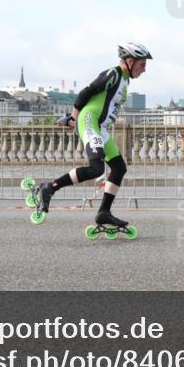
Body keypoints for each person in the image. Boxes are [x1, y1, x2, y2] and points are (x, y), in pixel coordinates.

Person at [36, 42, 151, 229]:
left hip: (101, 127)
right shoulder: (113, 74)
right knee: (96, 168)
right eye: (142, 64)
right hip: (89, 120)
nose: (144, 69)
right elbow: (86, 92)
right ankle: (49, 188)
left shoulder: (125, 79)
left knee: (119, 168)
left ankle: (104, 212)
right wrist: (73, 118)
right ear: (130, 61)